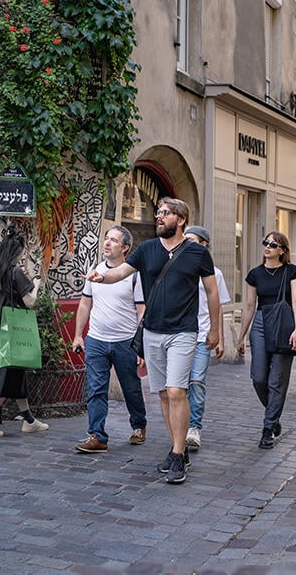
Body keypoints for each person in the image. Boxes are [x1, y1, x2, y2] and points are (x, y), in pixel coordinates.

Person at [86, 198, 222, 485]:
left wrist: (215, 330)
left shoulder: (198, 254)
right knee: (162, 393)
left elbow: (211, 293)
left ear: (180, 220)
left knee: (176, 391)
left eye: (165, 214)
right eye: (158, 213)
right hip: (152, 331)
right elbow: (121, 272)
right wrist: (102, 276)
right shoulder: (147, 249)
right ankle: (179, 449)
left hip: (183, 331)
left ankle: (176, 453)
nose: (159, 217)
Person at [73, 225, 147, 453]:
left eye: (113, 240)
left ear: (125, 248)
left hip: (125, 341)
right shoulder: (94, 270)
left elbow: (141, 310)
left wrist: (140, 347)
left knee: (131, 388)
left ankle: (139, 425)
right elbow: (85, 303)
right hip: (96, 338)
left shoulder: (133, 275)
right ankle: (97, 436)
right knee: (95, 388)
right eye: (106, 239)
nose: (107, 243)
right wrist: (78, 335)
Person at [0, 227, 48, 437]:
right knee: (5, 377)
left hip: (0, 329)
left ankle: (29, 420)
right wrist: (36, 284)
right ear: (18, 253)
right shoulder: (16, 272)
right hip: (14, 333)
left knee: (16, 377)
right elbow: (30, 302)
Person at [236, 231, 296, 450]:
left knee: (277, 381)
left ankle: (268, 428)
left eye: (273, 245)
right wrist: (241, 335)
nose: (267, 247)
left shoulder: (291, 271)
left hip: (284, 324)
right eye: (265, 242)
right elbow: (249, 306)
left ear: (282, 250)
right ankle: (273, 416)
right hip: (261, 324)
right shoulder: (255, 273)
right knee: (259, 377)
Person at [182, 226, 230, 452]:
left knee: (197, 381)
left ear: (204, 244)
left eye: (192, 240)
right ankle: (180, 426)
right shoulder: (178, 268)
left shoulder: (214, 273)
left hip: (202, 334)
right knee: (178, 385)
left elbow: (217, 307)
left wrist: (218, 335)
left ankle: (194, 427)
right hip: (179, 333)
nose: (187, 243)